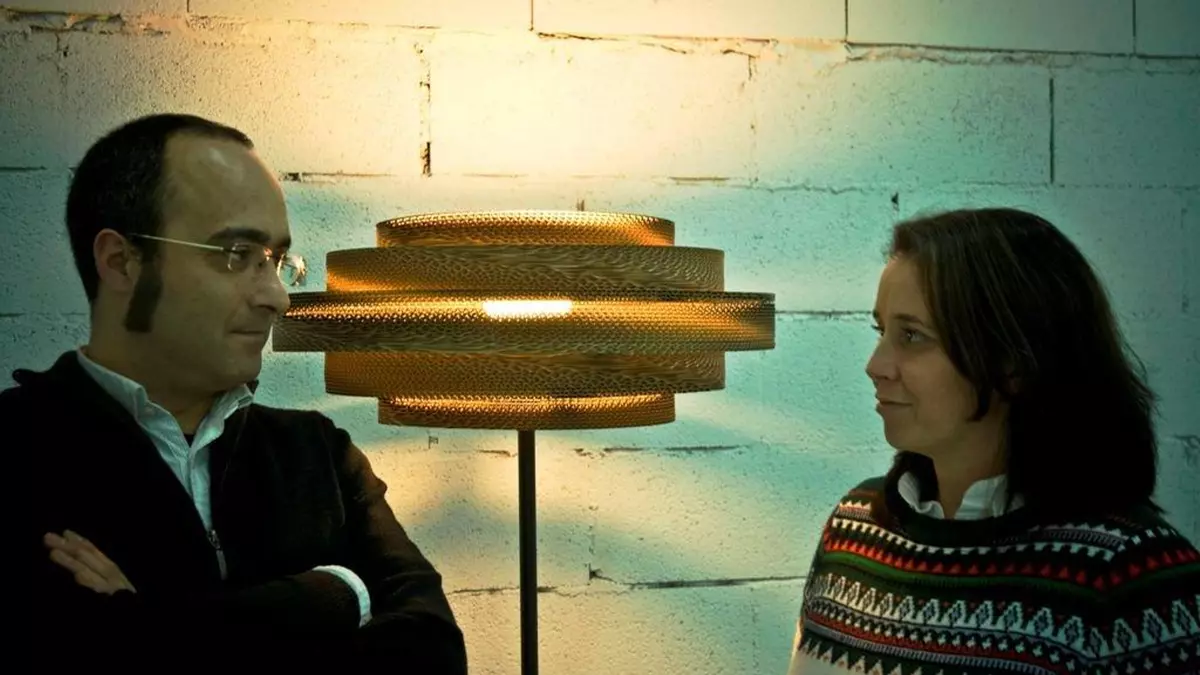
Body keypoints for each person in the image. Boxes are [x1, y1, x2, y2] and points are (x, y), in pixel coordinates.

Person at [11, 113, 467, 670]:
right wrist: (332, 597)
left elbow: (433, 652)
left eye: (276, 261)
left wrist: (144, 625)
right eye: (235, 255)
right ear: (121, 262)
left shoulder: (319, 453)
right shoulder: (19, 450)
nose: (278, 297)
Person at [786, 208, 1200, 674]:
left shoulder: (1133, 575)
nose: (875, 365)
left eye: (912, 336)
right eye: (881, 331)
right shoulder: (854, 528)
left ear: (1014, 361)